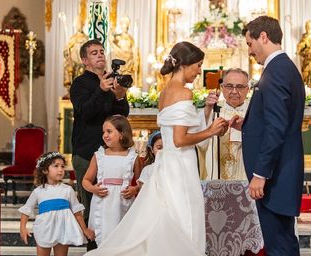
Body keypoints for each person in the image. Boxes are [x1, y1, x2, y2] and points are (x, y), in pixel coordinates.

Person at [86, 41, 228, 255]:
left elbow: (174, 134)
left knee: (166, 217)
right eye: (198, 65)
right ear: (185, 64)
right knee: (184, 217)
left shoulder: (165, 92)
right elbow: (180, 139)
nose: (200, 71)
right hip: (180, 165)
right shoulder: (183, 92)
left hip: (168, 163)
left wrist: (207, 110)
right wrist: (211, 131)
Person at [230, 15, 305, 256]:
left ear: (263, 37)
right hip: (281, 172)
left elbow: (276, 128)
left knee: (279, 246)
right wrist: (248, 124)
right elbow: (275, 121)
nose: (250, 51)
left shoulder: (276, 71)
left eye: (250, 44)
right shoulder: (283, 67)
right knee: (282, 242)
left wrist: (260, 174)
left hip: (276, 175)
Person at [70, 39, 129, 226]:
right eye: (94, 53)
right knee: (90, 206)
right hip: (87, 152)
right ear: (85, 60)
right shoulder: (79, 84)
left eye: (102, 51)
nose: (100, 55)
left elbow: (122, 115)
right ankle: (92, 248)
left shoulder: (111, 80)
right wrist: (102, 90)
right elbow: (86, 111)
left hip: (111, 152)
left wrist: (120, 95)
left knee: (112, 204)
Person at [19, 152, 95, 255]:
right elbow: (26, 210)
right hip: (44, 228)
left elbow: (76, 211)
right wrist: (23, 228)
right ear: (45, 170)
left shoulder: (67, 190)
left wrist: (85, 229)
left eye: (62, 166)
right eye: (56, 166)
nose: (60, 169)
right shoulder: (38, 191)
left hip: (63, 229)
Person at [82, 115, 141, 246]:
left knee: (121, 236)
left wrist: (134, 189)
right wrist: (93, 189)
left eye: (109, 131)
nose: (105, 135)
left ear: (122, 134)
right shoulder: (99, 156)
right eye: (103, 132)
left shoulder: (133, 157)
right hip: (102, 201)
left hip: (123, 201)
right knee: (102, 234)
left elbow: (141, 182)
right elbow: (85, 180)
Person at [200, 68, 250, 180]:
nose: (234, 91)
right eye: (229, 86)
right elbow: (200, 142)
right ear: (222, 88)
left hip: (246, 174)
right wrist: (207, 110)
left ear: (248, 89)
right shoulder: (213, 110)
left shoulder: (255, 111)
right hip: (217, 173)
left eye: (240, 87)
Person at [109, 16, 141, 86]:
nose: (125, 26)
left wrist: (136, 60)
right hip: (121, 58)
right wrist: (111, 30)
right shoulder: (118, 37)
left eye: (126, 24)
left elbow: (134, 49)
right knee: (120, 76)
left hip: (129, 61)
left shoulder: (130, 38)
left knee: (128, 77)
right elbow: (110, 40)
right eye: (123, 24)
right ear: (121, 25)